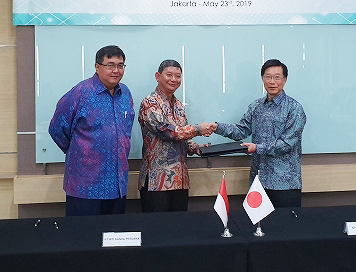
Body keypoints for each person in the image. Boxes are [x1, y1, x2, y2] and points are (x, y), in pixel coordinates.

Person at [48, 45, 135, 216]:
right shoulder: (81, 93)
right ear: (97, 66)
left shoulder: (125, 93)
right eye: (110, 65)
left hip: (117, 184)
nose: (116, 70)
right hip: (86, 185)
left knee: (114, 238)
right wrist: (81, 152)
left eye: (120, 65)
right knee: (84, 239)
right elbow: (57, 128)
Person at [211, 59, 306, 208]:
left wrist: (257, 148)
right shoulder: (255, 106)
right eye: (268, 77)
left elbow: (287, 143)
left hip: (285, 183)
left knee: (286, 228)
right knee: (258, 228)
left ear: (285, 80)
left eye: (277, 77)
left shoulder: (294, 109)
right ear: (262, 79)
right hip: (259, 181)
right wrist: (216, 127)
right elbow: (241, 130)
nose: (272, 81)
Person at [138, 59, 213, 213]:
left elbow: (181, 135)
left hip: (180, 179)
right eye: (169, 75)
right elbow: (168, 132)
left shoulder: (179, 104)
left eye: (178, 76)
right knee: (158, 230)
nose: (174, 79)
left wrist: (194, 147)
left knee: (179, 230)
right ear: (158, 76)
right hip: (156, 181)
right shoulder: (150, 103)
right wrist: (199, 129)